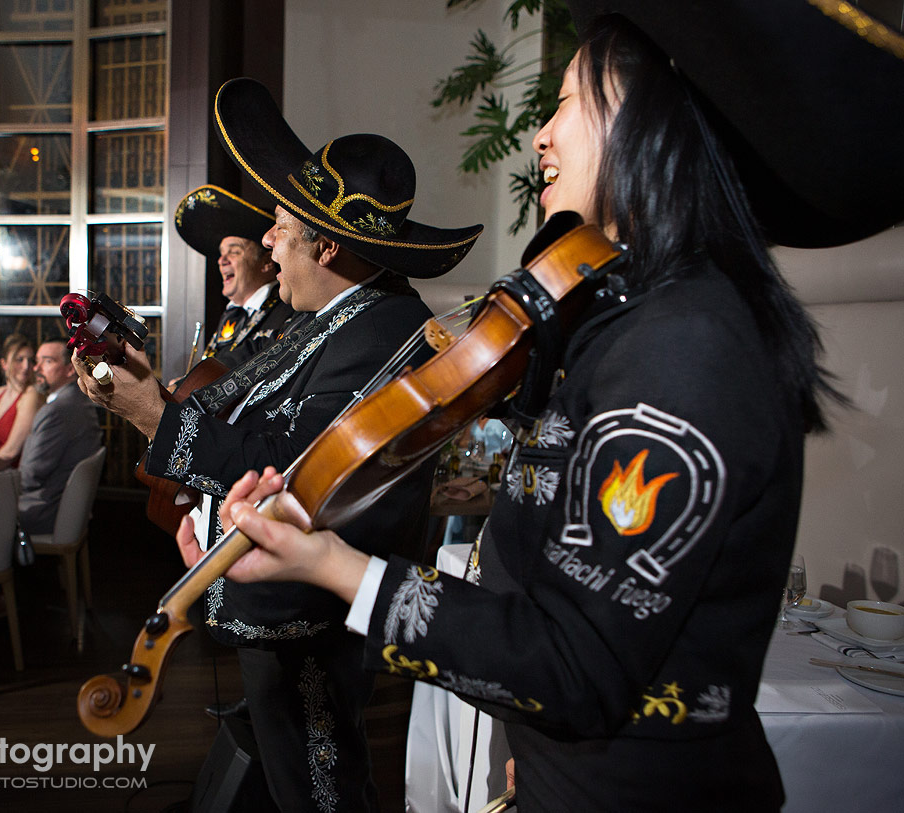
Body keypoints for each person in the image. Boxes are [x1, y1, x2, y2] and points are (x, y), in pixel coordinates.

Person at [186, 6, 904, 811]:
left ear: (648, 117)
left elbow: (578, 667)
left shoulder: (688, 342)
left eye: (567, 101)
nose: (541, 135)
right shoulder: (640, 318)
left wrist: (334, 566)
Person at [77, 77, 482, 812]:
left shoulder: (385, 330)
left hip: (307, 615)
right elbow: (238, 409)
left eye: (280, 226)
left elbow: (288, 468)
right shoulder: (336, 314)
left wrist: (148, 417)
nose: (267, 240)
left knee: (319, 788)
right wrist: (150, 392)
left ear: (325, 243)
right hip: (275, 598)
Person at [175, 184, 294, 368]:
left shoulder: (288, 310)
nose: (222, 260)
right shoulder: (232, 314)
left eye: (234, 252)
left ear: (266, 262)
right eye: (222, 253)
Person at [17, 339, 102, 537]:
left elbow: (30, 476)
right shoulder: (78, 400)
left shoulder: (57, 411)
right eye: (36, 361)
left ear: (70, 370)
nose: (36, 368)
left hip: (43, 512)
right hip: (60, 506)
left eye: (47, 361)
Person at [0, 333, 43, 466]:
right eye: (19, 360)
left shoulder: (30, 395)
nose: (26, 366)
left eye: (30, 360)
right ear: (4, 363)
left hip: (9, 473)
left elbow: (12, 451)